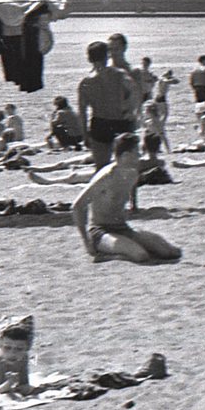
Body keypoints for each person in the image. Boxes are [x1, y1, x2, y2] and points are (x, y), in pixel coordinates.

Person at [73, 134, 182, 264]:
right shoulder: (106, 176)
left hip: (123, 228)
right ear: (125, 156)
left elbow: (130, 189)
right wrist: (86, 242)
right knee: (140, 255)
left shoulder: (131, 172)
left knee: (172, 252)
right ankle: (105, 256)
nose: (139, 156)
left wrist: (134, 205)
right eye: (136, 153)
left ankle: (124, 248)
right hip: (101, 230)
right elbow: (78, 205)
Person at [79, 40, 138, 168]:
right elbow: (135, 91)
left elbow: (82, 113)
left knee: (101, 168)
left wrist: (85, 134)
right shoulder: (120, 75)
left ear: (89, 59)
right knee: (129, 167)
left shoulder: (85, 83)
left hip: (100, 124)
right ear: (107, 56)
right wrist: (132, 111)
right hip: (121, 121)